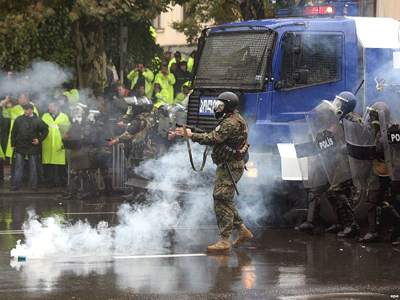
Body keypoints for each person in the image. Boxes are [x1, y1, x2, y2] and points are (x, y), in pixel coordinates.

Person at [175, 91, 253, 253]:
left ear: (229, 106)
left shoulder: (231, 123)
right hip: (227, 165)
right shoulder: (231, 120)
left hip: (230, 166)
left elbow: (213, 138)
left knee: (221, 198)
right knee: (224, 198)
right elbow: (215, 135)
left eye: (221, 105)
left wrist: (191, 135)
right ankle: (243, 231)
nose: (218, 108)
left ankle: (224, 240)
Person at [360, 102, 400, 245]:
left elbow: (385, 149)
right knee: (372, 200)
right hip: (380, 170)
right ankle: (373, 231)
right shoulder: (376, 130)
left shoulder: (393, 129)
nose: (370, 119)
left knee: (395, 201)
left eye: (372, 115)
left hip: (394, 171)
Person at [11, 104, 48, 191]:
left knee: (33, 166)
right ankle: (16, 185)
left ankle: (33, 186)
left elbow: (45, 130)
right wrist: (13, 144)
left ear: (32, 110)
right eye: (25, 110)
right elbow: (14, 132)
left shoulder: (38, 120)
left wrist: (39, 140)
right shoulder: (19, 119)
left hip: (32, 145)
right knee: (19, 166)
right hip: (21, 145)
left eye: (27, 110)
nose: (25, 111)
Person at [41, 101, 71, 189]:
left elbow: (68, 131)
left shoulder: (64, 116)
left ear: (56, 107)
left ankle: (63, 182)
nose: (49, 108)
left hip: (59, 145)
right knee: (48, 166)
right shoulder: (45, 116)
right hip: (48, 144)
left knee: (61, 166)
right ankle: (50, 183)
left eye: (51, 106)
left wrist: (64, 142)